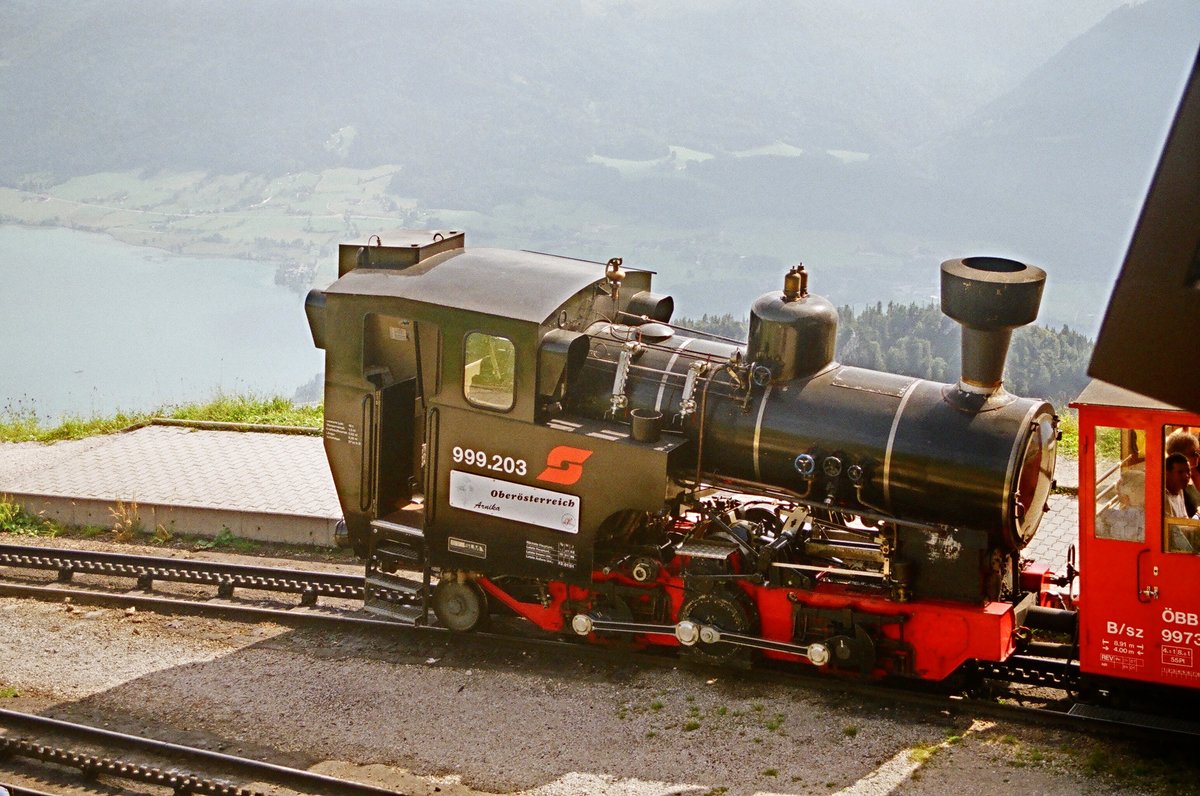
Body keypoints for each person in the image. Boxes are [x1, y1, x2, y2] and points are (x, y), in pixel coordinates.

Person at [1165, 429, 1200, 515]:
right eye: (1194, 453)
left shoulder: (1192, 474)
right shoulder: (1177, 484)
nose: (1198, 456)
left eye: (1198, 452)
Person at [1165, 453, 1193, 518]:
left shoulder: (1180, 490)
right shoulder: (1162, 498)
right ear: (1167, 474)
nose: (1186, 476)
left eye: (1188, 471)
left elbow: (1184, 520)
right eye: (1180, 472)